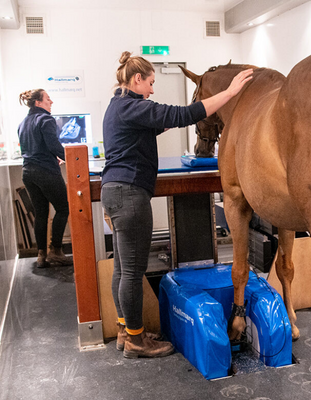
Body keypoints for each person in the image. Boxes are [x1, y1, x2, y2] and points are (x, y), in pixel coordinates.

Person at [101, 51, 253, 359]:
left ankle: (125, 330)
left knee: (122, 268)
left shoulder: (119, 106)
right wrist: (230, 93)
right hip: (129, 195)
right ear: (137, 79)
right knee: (132, 272)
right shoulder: (131, 106)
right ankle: (135, 340)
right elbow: (182, 115)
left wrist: (173, 118)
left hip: (116, 192)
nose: (153, 90)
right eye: (151, 83)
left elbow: (163, 122)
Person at [18, 89, 73, 268]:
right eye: (48, 99)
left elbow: (36, 148)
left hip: (28, 172)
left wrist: (52, 157)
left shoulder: (23, 123)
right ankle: (56, 251)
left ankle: (41, 255)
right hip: (45, 172)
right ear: (38, 103)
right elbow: (54, 145)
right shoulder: (46, 119)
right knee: (63, 208)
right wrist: (73, 159)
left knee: (41, 213)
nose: (51, 102)